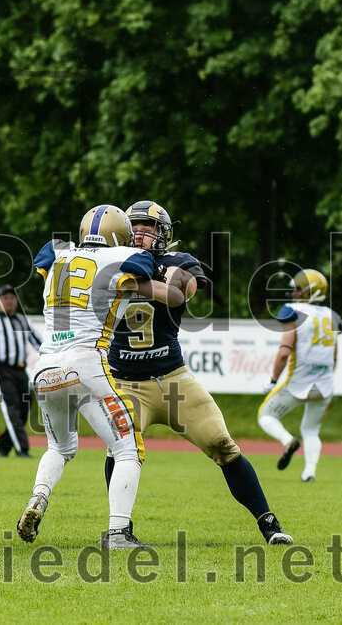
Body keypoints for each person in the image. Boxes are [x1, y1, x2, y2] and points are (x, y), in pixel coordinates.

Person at [107, 201, 294, 545]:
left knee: (223, 445)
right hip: (124, 382)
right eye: (134, 226)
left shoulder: (175, 262)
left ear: (163, 234)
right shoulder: (106, 262)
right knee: (121, 452)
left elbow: (183, 291)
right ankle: (120, 530)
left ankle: (269, 523)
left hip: (173, 378)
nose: (140, 233)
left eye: (148, 227)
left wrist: (136, 282)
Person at [16, 204, 187, 550]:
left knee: (59, 447)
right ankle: (119, 533)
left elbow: (63, 268)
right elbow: (164, 291)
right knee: (128, 448)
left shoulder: (56, 253)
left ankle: (38, 499)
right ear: (120, 235)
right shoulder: (126, 258)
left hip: (45, 367)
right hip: (86, 364)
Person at [258, 268, 342, 483]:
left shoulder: (294, 311)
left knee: (266, 416)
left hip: (297, 382)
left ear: (309, 291)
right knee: (311, 429)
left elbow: (284, 352)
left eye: (297, 289)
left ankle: (288, 441)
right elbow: (333, 357)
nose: (294, 293)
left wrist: (273, 381)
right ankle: (309, 473)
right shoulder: (331, 315)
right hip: (325, 384)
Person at [0, 284, 42, 458]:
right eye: (5, 298)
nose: (9, 301)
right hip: (2, 369)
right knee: (11, 407)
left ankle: (3, 445)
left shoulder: (23, 320)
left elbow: (38, 342)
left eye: (12, 298)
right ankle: (22, 449)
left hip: (20, 370)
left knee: (25, 408)